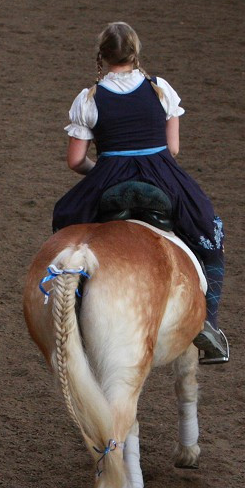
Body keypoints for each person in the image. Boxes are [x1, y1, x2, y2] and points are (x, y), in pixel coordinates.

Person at [53, 22, 229, 363]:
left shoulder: (88, 98)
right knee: (209, 230)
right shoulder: (161, 90)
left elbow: (75, 161)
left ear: (102, 56)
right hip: (160, 173)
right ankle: (209, 321)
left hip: (110, 175)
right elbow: (173, 149)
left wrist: (100, 172)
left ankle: (70, 304)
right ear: (135, 54)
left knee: (64, 222)